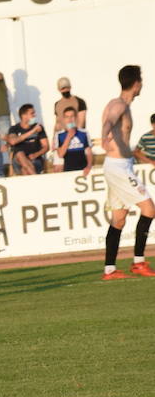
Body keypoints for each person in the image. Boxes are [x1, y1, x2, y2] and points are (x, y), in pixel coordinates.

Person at [98, 65, 155, 279]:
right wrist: (104, 136)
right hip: (118, 167)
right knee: (150, 209)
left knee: (119, 219)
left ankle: (109, 269)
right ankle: (138, 262)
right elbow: (109, 121)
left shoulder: (124, 105)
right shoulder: (119, 104)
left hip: (119, 165)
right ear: (136, 83)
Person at [7, 105, 50, 176]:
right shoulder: (14, 128)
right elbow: (13, 141)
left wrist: (36, 154)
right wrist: (33, 131)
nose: (35, 115)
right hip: (18, 161)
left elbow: (46, 146)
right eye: (32, 113)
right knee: (20, 154)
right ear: (24, 116)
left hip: (35, 159)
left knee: (25, 170)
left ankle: (33, 177)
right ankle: (36, 178)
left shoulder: (38, 127)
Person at [55, 108, 92, 175]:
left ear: (76, 118)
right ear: (64, 119)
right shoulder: (59, 135)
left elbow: (88, 152)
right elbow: (60, 154)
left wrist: (89, 166)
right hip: (68, 170)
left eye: (72, 116)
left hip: (83, 169)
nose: (70, 120)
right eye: (67, 117)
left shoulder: (84, 133)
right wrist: (68, 137)